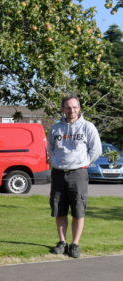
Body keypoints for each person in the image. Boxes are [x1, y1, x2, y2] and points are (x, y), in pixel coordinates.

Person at [47, 95, 102, 258]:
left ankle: (75, 244)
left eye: (75, 107)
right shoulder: (56, 128)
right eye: (68, 107)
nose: (72, 110)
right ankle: (62, 242)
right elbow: (50, 148)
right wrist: (55, 161)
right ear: (63, 109)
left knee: (78, 210)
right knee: (59, 210)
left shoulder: (88, 127)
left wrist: (83, 162)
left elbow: (96, 150)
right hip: (58, 173)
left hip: (78, 173)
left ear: (79, 108)